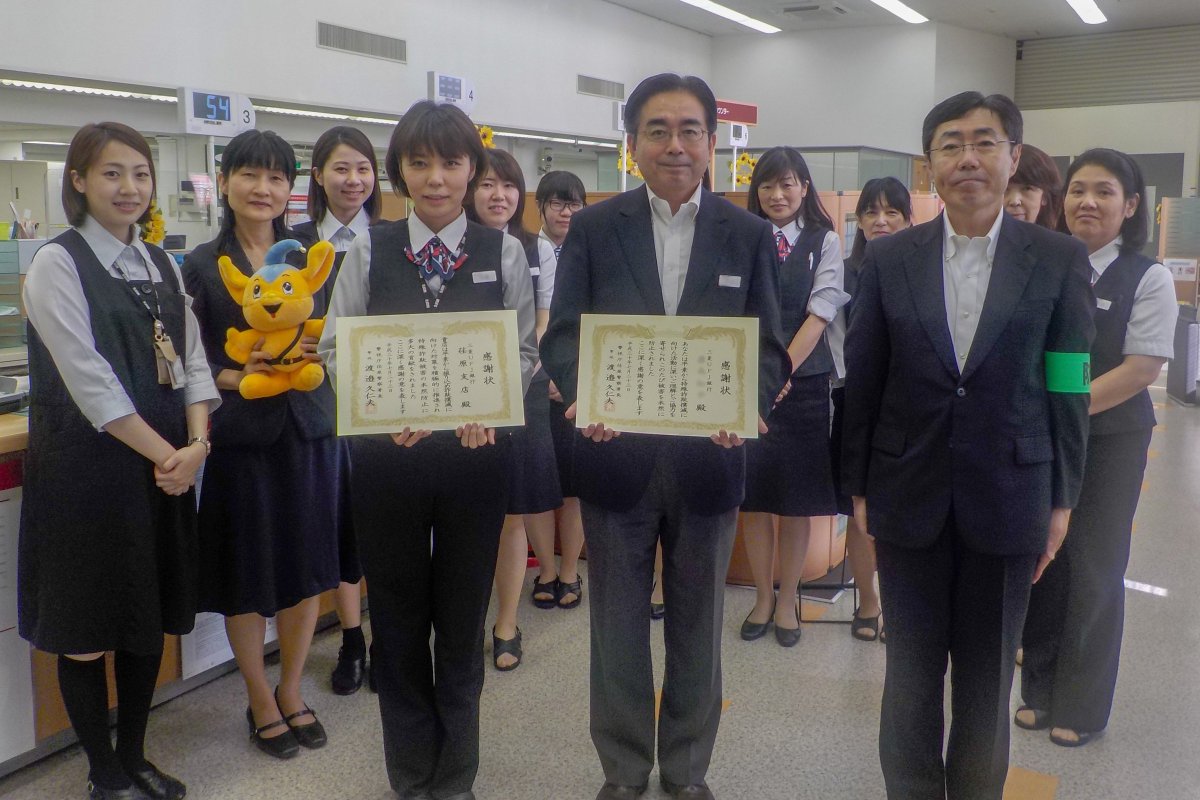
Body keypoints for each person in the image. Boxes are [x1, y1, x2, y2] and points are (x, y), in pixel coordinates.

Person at [541, 73, 789, 800]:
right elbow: (563, 336)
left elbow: (769, 345)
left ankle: (685, 774)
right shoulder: (594, 226)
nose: (674, 145)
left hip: (710, 462)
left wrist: (744, 402)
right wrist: (584, 392)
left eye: (689, 130)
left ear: (714, 143)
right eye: (658, 130)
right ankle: (623, 772)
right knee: (616, 635)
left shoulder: (747, 233)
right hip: (614, 459)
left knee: (697, 634)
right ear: (632, 144)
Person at [841, 91, 1095, 800]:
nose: (968, 158)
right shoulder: (891, 259)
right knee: (912, 675)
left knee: (986, 685)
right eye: (950, 145)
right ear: (930, 167)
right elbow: (865, 376)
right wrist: (856, 484)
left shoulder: (1056, 258)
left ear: (1013, 158)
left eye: (985, 143)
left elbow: (1068, 381)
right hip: (905, 491)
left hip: (1012, 494)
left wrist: (1064, 497)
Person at [318, 99, 537, 800]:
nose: (436, 177)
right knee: (402, 621)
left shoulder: (503, 249)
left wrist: (491, 410)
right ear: (400, 170)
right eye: (420, 162)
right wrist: (379, 415)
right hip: (388, 465)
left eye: (451, 161)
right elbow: (332, 350)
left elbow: (525, 352)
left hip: (477, 462)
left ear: (473, 168)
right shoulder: (367, 250)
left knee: (461, 616)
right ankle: (411, 775)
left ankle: (456, 776)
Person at [19, 121, 217, 800]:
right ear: (78, 180)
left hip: (162, 470)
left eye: (139, 173)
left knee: (143, 618)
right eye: (111, 173)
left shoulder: (160, 261)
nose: (128, 187)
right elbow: (90, 380)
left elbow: (191, 361)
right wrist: (175, 457)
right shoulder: (57, 262)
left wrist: (197, 446)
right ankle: (103, 774)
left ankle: (134, 757)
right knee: (86, 627)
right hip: (86, 473)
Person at [183, 130, 344, 760]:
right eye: (249, 175)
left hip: (309, 430)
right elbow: (194, 361)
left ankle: (292, 686)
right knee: (248, 574)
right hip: (246, 441)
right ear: (224, 183)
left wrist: (310, 358)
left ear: (291, 189)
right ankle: (258, 697)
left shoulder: (314, 253)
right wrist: (244, 376)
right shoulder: (201, 264)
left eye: (277, 178)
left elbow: (332, 337)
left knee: (306, 571)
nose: (264, 189)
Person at [1018, 148, 1177, 747]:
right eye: (1078, 189)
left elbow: (1140, 369)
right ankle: (1038, 689)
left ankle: (1080, 706)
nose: (1087, 202)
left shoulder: (1146, 275)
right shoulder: (1049, 263)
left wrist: (1066, 406)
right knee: (1044, 562)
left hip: (1110, 440)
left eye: (1104, 191)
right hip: (1045, 439)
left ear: (1130, 205)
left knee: (1095, 565)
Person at [739, 147, 847, 647]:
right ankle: (762, 596)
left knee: (797, 500)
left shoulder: (824, 241)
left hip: (801, 385)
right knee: (755, 499)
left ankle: (788, 602)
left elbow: (820, 313)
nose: (777, 195)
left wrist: (780, 371)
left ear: (804, 187)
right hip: (747, 383)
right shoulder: (743, 237)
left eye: (787, 184)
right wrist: (761, 374)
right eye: (767, 186)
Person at [292, 124, 383, 696]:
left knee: (388, 523)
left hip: (385, 403)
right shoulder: (293, 244)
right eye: (341, 168)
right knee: (345, 522)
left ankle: (391, 633)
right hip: (318, 405)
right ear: (320, 176)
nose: (353, 180)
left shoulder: (398, 238)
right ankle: (353, 640)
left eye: (363, 169)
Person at [467, 149, 565, 671]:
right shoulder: (453, 246)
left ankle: (506, 621)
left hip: (519, 390)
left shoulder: (536, 249)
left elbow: (543, 322)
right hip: (459, 397)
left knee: (510, 514)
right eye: (486, 184)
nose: (497, 195)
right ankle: (464, 621)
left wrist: (511, 382)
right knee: (464, 513)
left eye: (507, 186)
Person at [828, 177, 913, 643]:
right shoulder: (843, 272)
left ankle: (901, 609)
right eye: (871, 213)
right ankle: (868, 601)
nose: (881, 221)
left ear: (908, 219)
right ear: (858, 221)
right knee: (859, 511)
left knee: (904, 515)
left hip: (912, 411)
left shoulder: (927, 270)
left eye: (892, 213)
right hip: (855, 405)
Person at [533, 170, 588, 616]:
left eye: (573, 204)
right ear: (542, 208)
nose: (566, 212)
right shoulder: (521, 249)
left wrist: (569, 376)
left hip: (576, 385)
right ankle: (546, 570)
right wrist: (547, 372)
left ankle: (570, 570)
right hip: (532, 383)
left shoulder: (592, 249)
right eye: (557, 203)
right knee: (536, 486)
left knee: (574, 485)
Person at [1004, 144, 1063, 229]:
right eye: (1005, 189)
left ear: (1044, 196)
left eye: (1027, 188)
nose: (1014, 201)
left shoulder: (1060, 242)